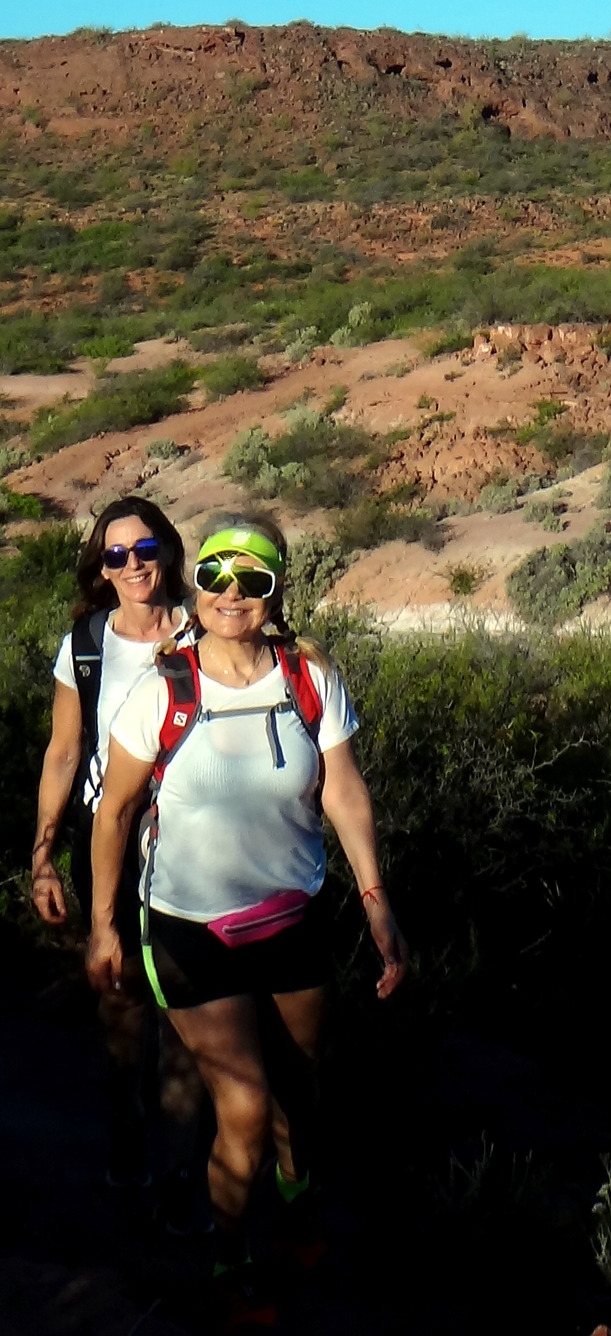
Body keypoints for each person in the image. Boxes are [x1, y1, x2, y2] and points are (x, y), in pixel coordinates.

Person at [86, 511, 408, 1298]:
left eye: (254, 581)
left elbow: (343, 786)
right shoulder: (162, 689)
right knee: (247, 1109)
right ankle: (232, 1261)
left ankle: (296, 1207)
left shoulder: (309, 676)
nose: (233, 595)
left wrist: (374, 897)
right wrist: (104, 925)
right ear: (195, 582)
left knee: (302, 1097)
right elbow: (116, 813)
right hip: (190, 932)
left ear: (277, 590)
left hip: (292, 918)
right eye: (217, 577)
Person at [31, 495, 191, 1187]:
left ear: (167, 553)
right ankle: (130, 1144)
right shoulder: (87, 645)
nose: (133, 566)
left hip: (195, 840)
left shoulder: (207, 626)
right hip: (110, 838)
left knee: (191, 1005)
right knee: (121, 994)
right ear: (102, 564)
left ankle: (187, 1169)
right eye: (117, 554)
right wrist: (41, 854)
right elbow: (65, 754)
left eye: (145, 551)